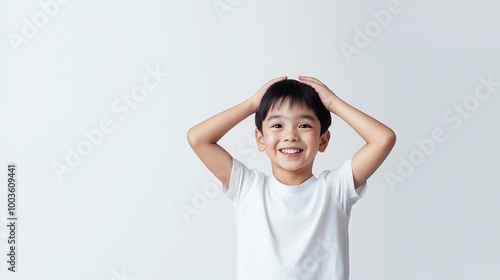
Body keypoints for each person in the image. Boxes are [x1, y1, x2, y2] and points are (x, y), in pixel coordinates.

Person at [187, 76, 396, 280]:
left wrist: (333, 103)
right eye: (277, 125)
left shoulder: (335, 189)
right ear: (260, 139)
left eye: (304, 125)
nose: (291, 135)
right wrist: (251, 104)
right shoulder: (247, 187)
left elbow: (383, 139)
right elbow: (198, 138)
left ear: (323, 141)